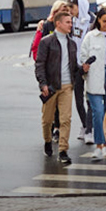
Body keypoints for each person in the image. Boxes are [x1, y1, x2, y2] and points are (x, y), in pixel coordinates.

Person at [35, 11, 78, 165]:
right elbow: (39, 64)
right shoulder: (47, 42)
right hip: (51, 86)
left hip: (67, 86)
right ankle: (47, 141)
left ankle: (63, 150)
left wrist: (83, 68)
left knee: (65, 119)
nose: (71, 25)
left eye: (71, 22)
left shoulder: (72, 43)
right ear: (58, 23)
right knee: (47, 120)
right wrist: (43, 84)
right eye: (68, 22)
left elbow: (73, 66)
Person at [80, 7, 106, 160]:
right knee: (98, 113)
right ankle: (98, 145)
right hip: (94, 76)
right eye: (104, 21)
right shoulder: (90, 36)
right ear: (98, 21)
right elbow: (83, 55)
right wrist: (85, 65)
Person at [67, 0, 95, 144]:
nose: (70, 10)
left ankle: (90, 129)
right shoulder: (71, 22)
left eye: (72, 7)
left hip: (89, 65)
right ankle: (85, 125)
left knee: (90, 98)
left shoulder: (92, 22)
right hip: (76, 65)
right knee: (78, 99)